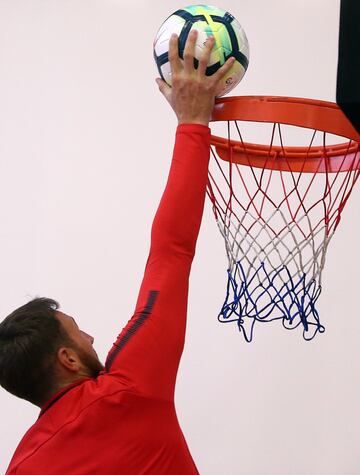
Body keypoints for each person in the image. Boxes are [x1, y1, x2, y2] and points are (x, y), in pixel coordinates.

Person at [0, 31, 235, 474]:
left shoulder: (22, 467)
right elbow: (171, 251)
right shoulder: (130, 388)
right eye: (78, 333)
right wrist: (192, 121)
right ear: (67, 359)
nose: (91, 339)